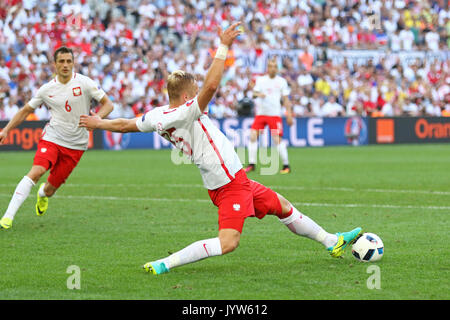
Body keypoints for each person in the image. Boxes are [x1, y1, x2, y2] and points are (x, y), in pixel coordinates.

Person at [79, 22, 362, 275]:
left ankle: (331, 241)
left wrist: (97, 122)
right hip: (228, 184)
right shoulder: (186, 112)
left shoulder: (157, 115)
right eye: (196, 92)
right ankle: (165, 264)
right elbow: (212, 85)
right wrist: (223, 46)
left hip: (233, 179)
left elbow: (126, 124)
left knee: (283, 206)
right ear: (188, 96)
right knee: (229, 243)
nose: (201, 97)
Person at [0, 46, 114, 229]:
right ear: (54, 64)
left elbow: (108, 104)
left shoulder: (85, 83)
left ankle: (42, 195)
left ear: (73, 63)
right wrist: (6, 130)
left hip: (76, 145)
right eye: (61, 61)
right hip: (52, 138)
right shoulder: (46, 90)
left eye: (69, 61)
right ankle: (7, 217)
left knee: (50, 190)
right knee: (36, 171)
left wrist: (97, 118)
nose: (65, 65)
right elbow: (25, 110)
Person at [244, 58, 293, 174]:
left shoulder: (281, 81)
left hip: (274, 114)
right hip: (261, 114)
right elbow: (254, 94)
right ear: (267, 68)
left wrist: (289, 114)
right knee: (252, 136)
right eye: (271, 66)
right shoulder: (261, 80)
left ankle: (286, 165)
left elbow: (286, 99)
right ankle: (251, 164)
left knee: (277, 139)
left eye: (275, 66)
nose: (273, 68)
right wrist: (258, 94)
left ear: (277, 68)